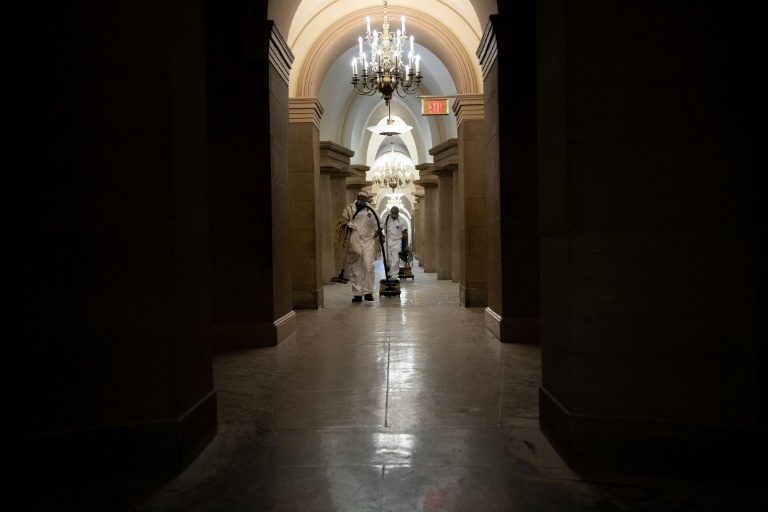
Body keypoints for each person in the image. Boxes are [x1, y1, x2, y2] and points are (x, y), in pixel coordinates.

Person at [342, 189, 380, 302]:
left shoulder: (372, 211)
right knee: (355, 268)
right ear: (357, 198)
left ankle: (367, 292)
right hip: (354, 241)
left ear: (367, 200)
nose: (362, 200)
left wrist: (376, 237)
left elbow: (379, 226)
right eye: (360, 198)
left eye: (364, 198)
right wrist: (347, 226)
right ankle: (357, 293)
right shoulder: (349, 209)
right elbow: (343, 222)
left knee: (368, 266)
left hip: (368, 242)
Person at [383, 206, 405, 279]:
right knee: (387, 259)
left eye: (395, 213)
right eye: (393, 213)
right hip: (387, 241)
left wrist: (405, 246)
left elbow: (404, 232)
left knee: (396, 260)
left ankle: (395, 276)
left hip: (397, 242)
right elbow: (380, 228)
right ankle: (389, 274)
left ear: (398, 213)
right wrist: (382, 237)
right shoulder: (386, 219)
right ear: (391, 213)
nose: (394, 215)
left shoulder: (402, 220)